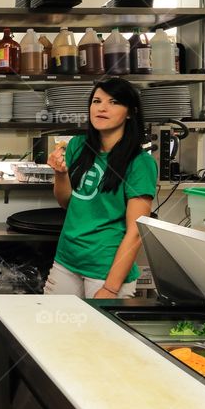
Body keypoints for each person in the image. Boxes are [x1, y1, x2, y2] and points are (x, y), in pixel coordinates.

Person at [45, 77, 157, 299]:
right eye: (96, 101)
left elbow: (136, 232)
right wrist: (60, 173)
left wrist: (110, 288)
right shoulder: (78, 146)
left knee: (97, 334)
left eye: (114, 102)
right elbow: (66, 202)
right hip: (68, 260)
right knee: (54, 329)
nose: (102, 108)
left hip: (106, 268)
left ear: (130, 112)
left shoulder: (140, 163)